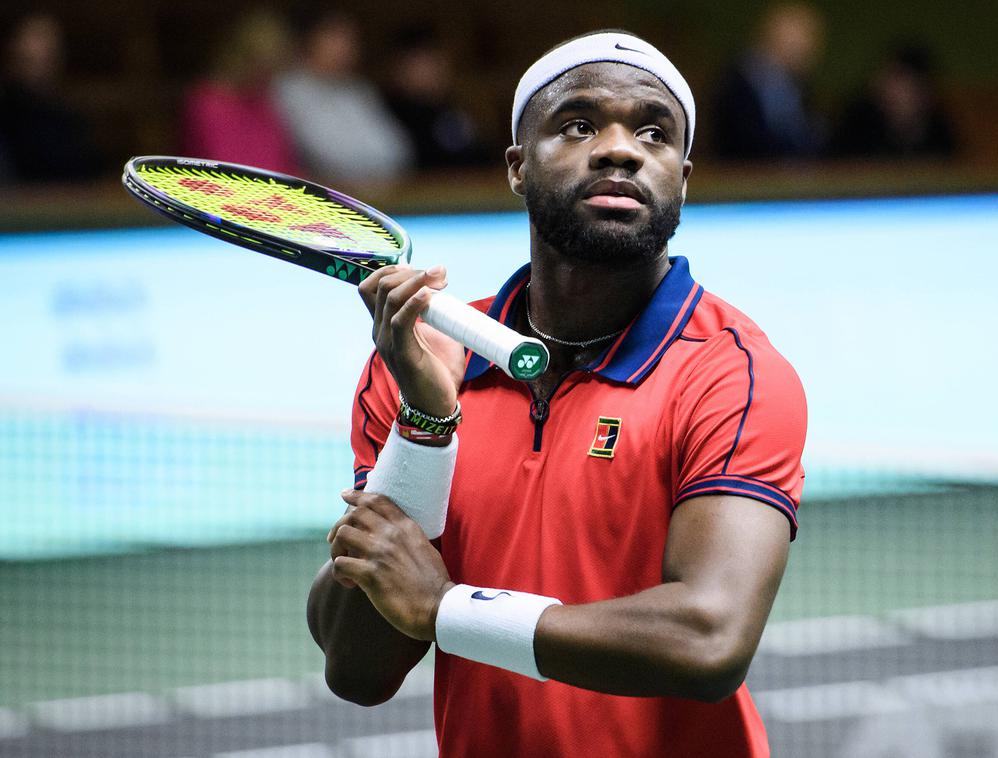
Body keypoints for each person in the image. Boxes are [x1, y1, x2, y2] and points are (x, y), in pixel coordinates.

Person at [308, 30, 807, 758]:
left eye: (652, 132)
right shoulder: (419, 360)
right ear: (517, 166)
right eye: (579, 125)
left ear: (683, 174)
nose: (619, 149)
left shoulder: (729, 374)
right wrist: (425, 426)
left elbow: (710, 636)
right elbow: (357, 669)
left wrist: (446, 610)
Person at [273, 10, 414, 183]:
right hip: (322, 196)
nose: (346, 46)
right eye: (335, 37)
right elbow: (328, 156)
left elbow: (397, 150)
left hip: (381, 192)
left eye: (350, 39)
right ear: (308, 41)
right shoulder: (290, 89)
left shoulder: (359, 89)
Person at [180, 9, 300, 174]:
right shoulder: (206, 104)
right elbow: (226, 169)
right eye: (263, 66)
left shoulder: (263, 101)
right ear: (241, 57)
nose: (270, 75)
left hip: (271, 194)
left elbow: (284, 163)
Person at [713, 3, 826, 161]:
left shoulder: (799, 87)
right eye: (803, 36)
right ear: (777, 34)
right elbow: (747, 145)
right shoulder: (738, 84)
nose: (809, 46)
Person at [0, 12, 100, 183]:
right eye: (29, 60)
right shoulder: (6, 118)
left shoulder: (67, 120)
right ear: (13, 55)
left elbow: (86, 175)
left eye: (48, 58)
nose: (39, 68)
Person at [381, 27, 488, 170]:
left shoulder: (450, 109)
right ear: (400, 69)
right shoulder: (387, 116)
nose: (436, 70)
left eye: (438, 61)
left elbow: (479, 155)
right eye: (423, 63)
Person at [830, 42, 958, 160]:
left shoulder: (938, 128)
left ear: (922, 89)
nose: (883, 86)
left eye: (898, 78)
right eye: (886, 77)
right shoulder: (857, 122)